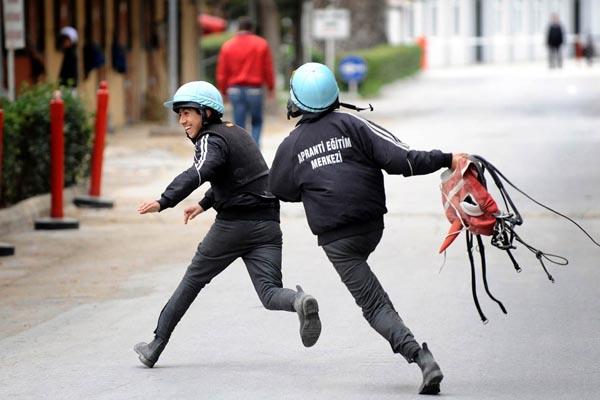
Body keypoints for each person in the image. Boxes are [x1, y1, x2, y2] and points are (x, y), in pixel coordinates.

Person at [269, 63, 469, 395]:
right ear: (334, 93)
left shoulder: (291, 146)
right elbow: (404, 160)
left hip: (337, 241)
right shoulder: (355, 124)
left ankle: (421, 359)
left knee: (375, 305)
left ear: (296, 101)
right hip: (370, 226)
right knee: (373, 297)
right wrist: (448, 158)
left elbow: (281, 189)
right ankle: (423, 361)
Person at [134, 81, 321, 368]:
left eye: (187, 113)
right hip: (268, 222)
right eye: (180, 114)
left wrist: (164, 200)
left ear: (207, 113)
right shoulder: (237, 133)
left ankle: (155, 345)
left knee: (192, 281)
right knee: (270, 292)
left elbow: (200, 170)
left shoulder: (210, 140)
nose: (182, 120)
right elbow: (240, 177)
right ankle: (299, 300)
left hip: (235, 226)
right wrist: (205, 203)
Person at [216, 16, 274, 148]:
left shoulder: (227, 46)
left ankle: (242, 151)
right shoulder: (261, 44)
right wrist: (271, 87)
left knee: (239, 124)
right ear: (251, 29)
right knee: (257, 122)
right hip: (255, 90)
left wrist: (223, 90)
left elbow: (222, 71)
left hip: (235, 90)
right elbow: (267, 68)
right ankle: (255, 149)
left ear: (238, 28)